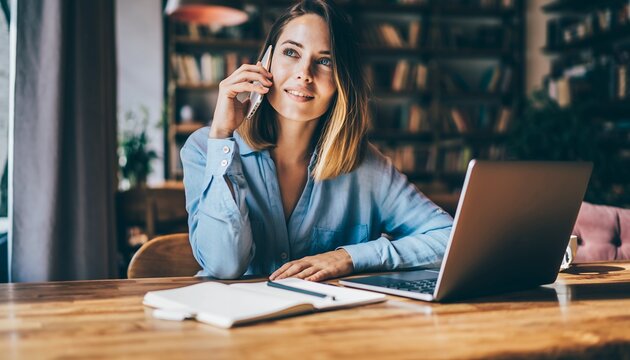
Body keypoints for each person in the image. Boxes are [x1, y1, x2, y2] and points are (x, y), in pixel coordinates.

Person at [181, 0, 453, 281]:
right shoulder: (205, 148)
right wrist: (222, 136)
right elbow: (224, 266)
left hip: (326, 323)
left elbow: (447, 238)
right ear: (265, 63)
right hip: (231, 321)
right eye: (291, 52)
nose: (304, 74)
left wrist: (349, 257)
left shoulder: (366, 166)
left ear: (341, 82)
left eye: (325, 61)